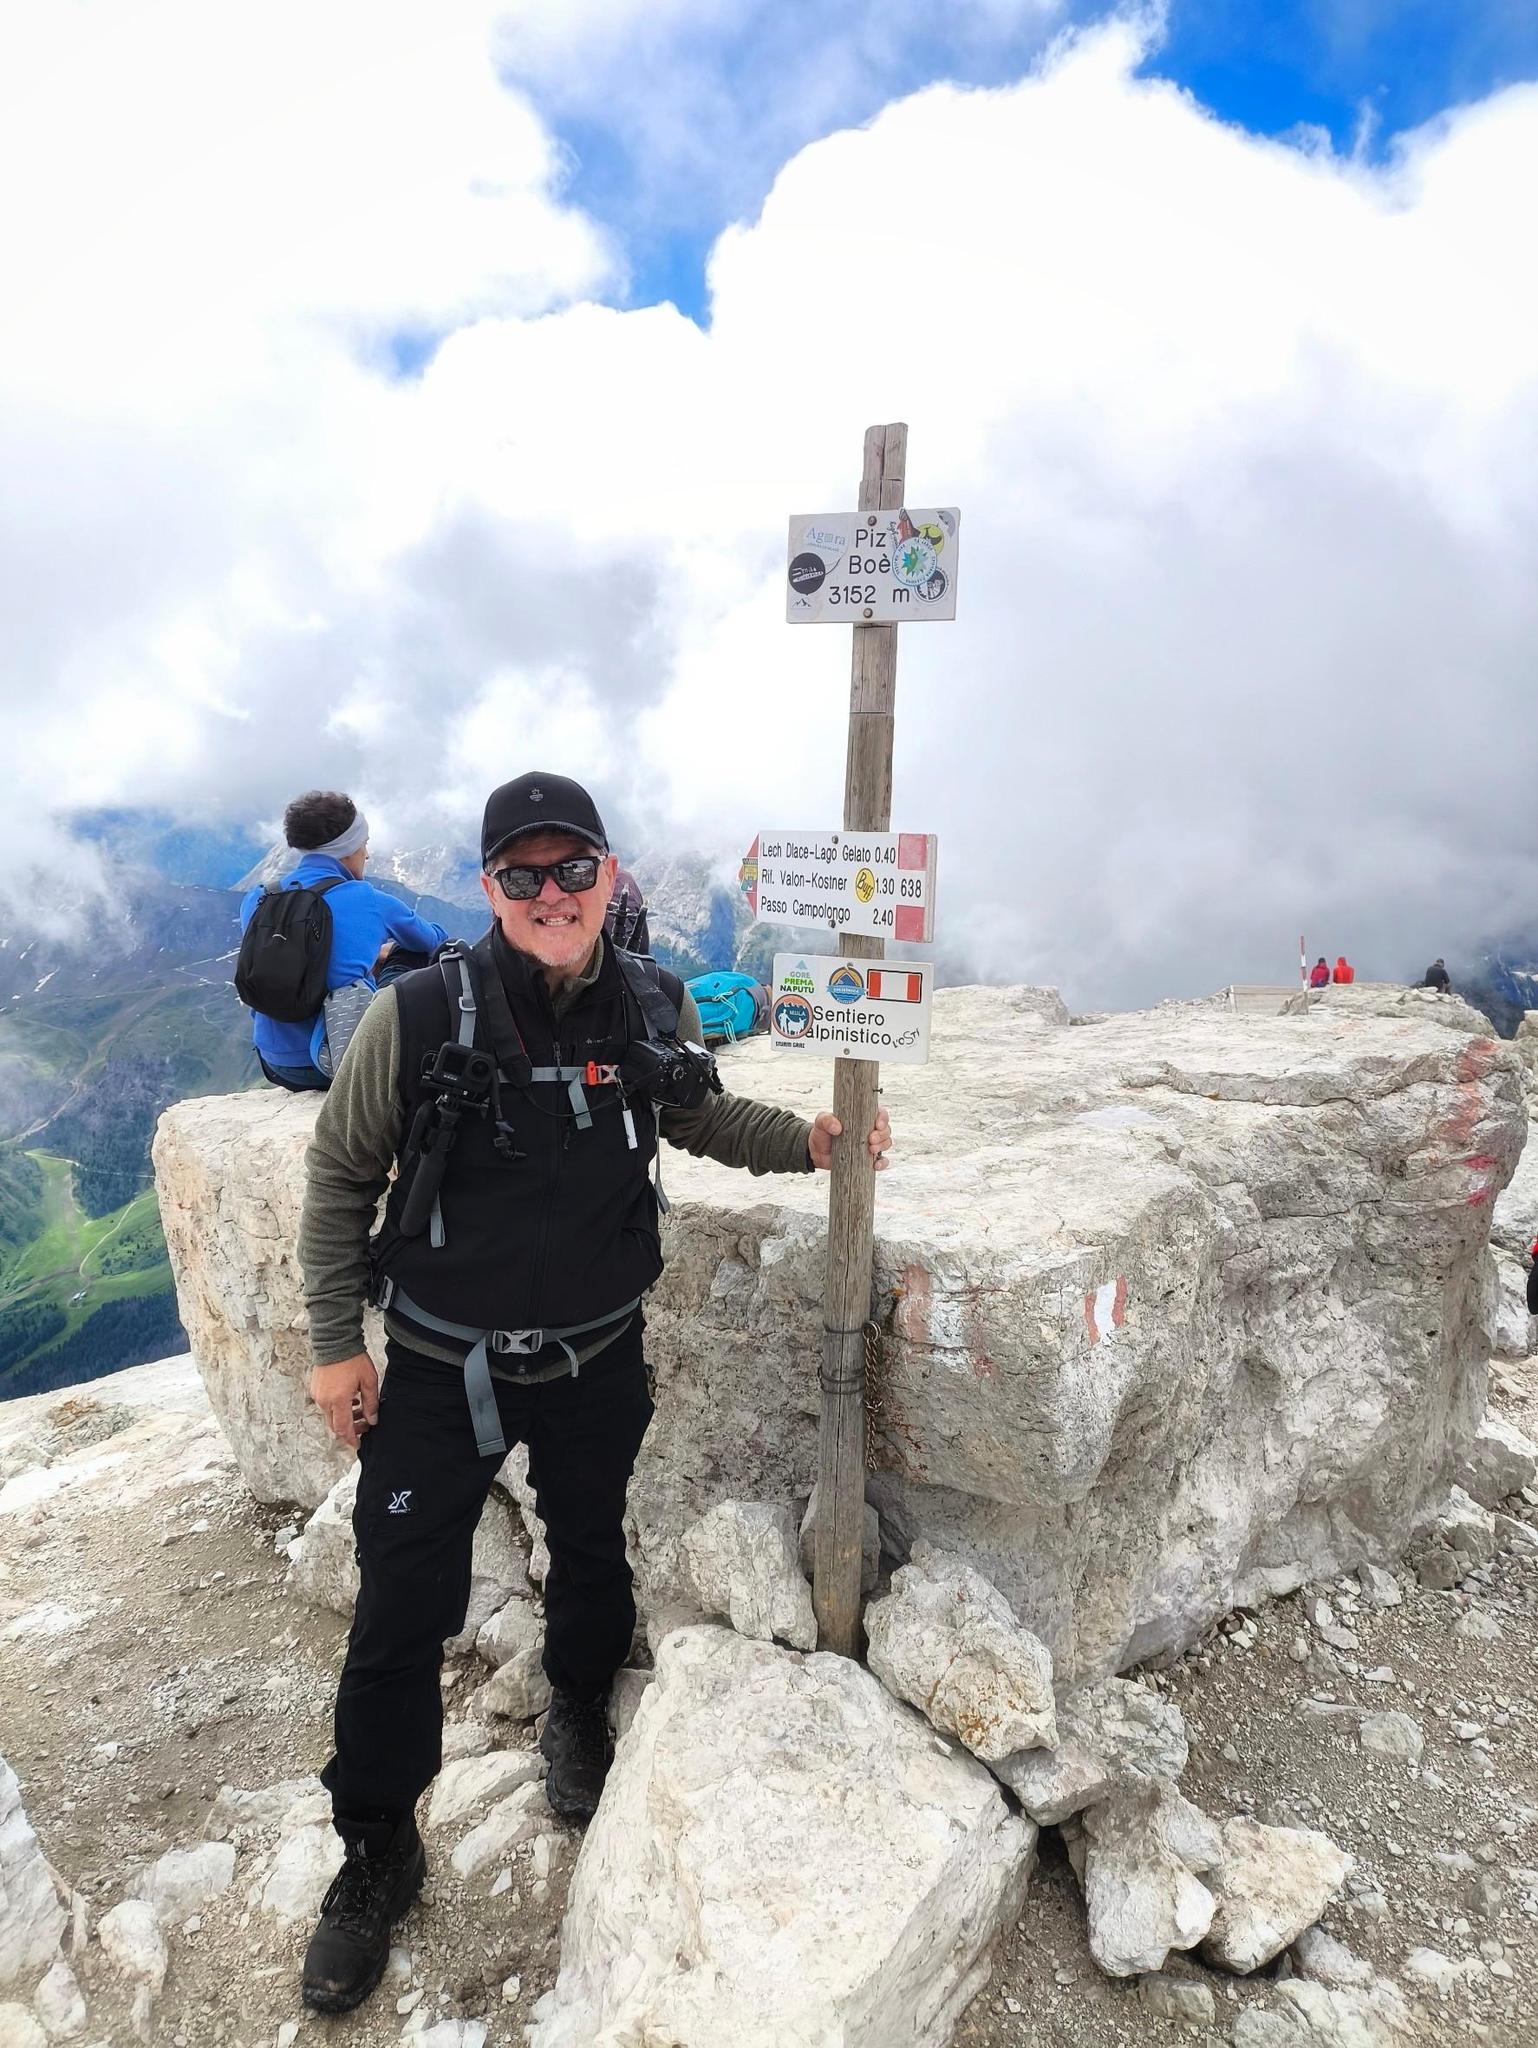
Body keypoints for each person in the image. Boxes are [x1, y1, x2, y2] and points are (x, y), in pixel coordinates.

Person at [294, 771, 893, 2014]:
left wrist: (810, 1142)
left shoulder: (649, 1001)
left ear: (607, 875)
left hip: (593, 1352)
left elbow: (700, 1116)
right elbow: (342, 1173)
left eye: (573, 868)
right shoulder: (417, 1014)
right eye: (523, 873)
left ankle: (575, 1701)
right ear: (489, 887)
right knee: (400, 1598)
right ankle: (377, 1846)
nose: (551, 892)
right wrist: (334, 1342)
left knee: (589, 1539)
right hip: (439, 1364)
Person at [238, 791, 447, 1090]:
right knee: (409, 953)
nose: (367, 854)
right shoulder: (369, 899)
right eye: (364, 844)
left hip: (275, 1065)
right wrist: (380, 951)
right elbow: (434, 941)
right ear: (348, 848)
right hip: (338, 1065)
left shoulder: (259, 898)